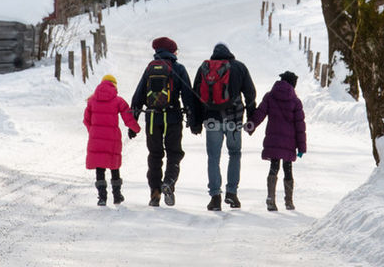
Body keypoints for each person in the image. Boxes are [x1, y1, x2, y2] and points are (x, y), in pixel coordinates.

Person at [130, 36, 197, 207]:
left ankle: (155, 193)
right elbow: (188, 95)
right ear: (173, 52)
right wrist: (193, 119)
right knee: (174, 153)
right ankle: (168, 183)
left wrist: (133, 120)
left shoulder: (150, 69)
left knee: (154, 155)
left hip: (152, 118)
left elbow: (138, 95)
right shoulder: (178, 69)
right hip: (173, 118)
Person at [191, 42, 256, 211]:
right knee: (234, 153)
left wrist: (196, 122)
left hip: (212, 120)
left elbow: (195, 95)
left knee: (213, 157)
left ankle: (215, 197)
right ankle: (232, 194)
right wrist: (252, 118)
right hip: (234, 120)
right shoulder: (239, 67)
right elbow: (250, 94)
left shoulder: (204, 68)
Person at [247, 70, 306, 211]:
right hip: (289, 143)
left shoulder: (270, 96)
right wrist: (301, 147)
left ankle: (271, 199)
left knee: (274, 167)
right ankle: (289, 201)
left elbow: (260, 113)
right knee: (288, 169)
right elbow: (300, 126)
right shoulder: (295, 101)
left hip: (273, 140)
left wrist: (251, 125)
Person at [84, 74, 141, 206]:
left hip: (96, 139)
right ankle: (117, 195)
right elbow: (128, 118)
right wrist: (136, 129)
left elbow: (86, 120)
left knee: (100, 167)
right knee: (114, 166)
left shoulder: (92, 101)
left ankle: (102, 197)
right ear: (114, 86)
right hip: (112, 138)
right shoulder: (118, 101)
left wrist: (93, 131)